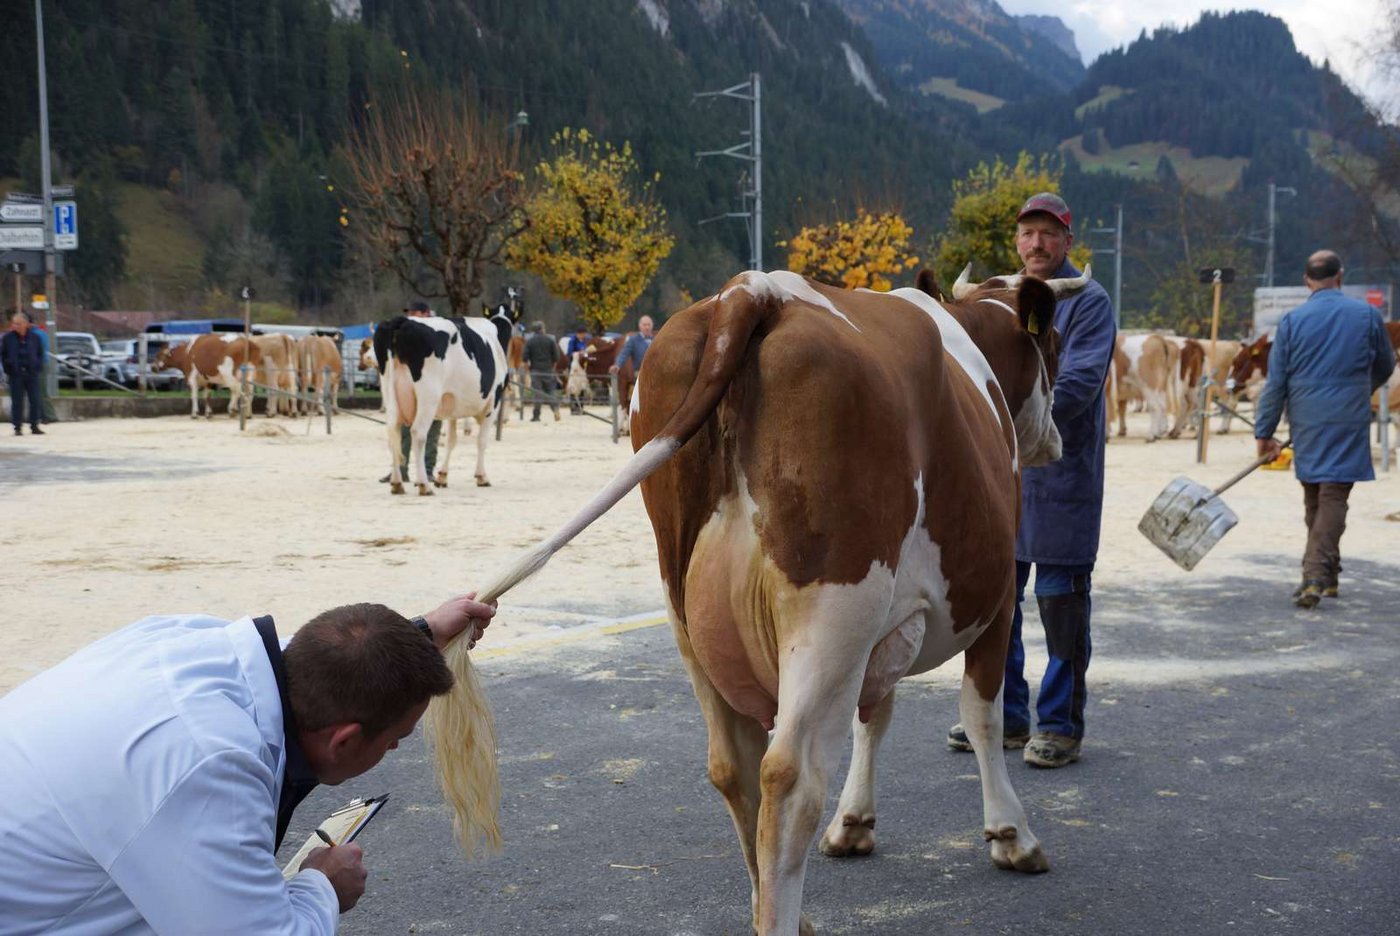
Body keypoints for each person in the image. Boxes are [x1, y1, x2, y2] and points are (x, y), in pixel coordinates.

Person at [0, 593, 496, 934]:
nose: (393, 750)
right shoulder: (211, 768)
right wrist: (323, 887)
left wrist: (416, 637)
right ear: (344, 741)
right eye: (394, 740)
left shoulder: (188, 639)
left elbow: (325, 663)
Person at [947, 192, 1117, 768]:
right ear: (1016, 241)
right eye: (1028, 233)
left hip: (1062, 470)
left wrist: (1007, 427)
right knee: (999, 604)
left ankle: (1062, 725)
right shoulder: (994, 295)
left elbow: (1080, 383)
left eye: (1049, 234)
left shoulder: (1088, 301)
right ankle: (1006, 716)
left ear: (1068, 241)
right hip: (1003, 474)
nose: (1037, 243)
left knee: (1059, 602)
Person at [1255, 250, 1396, 609]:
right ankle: (1321, 574)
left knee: (1315, 494)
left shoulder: (1291, 321)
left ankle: (1318, 573)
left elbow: (1276, 382)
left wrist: (1264, 432)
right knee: (1331, 495)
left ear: (1307, 280)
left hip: (1306, 417)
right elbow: (1386, 364)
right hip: (1348, 416)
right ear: (1340, 276)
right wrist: (1359, 389)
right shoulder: (1366, 314)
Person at [379, 300, 444, 484]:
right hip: (408, 381)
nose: (410, 316)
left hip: (432, 385)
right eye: (409, 313)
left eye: (414, 313)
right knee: (405, 428)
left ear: (425, 313)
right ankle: (400, 469)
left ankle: (428, 469)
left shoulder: (438, 329)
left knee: (431, 429)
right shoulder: (406, 330)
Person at [2, 310, 46, 436]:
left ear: (26, 324)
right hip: (16, 374)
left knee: (35, 400)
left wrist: (37, 367)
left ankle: (34, 425)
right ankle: (17, 427)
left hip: (32, 373)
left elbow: (40, 353)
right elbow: (4, 355)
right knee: (17, 401)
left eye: (19, 323)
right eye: (14, 324)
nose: (16, 326)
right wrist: (9, 369)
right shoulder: (8, 338)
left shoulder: (35, 338)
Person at [523, 320, 561, 421]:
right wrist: (553, 368)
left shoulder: (530, 341)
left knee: (537, 393)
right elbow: (556, 357)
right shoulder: (550, 340)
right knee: (550, 391)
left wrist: (528, 371)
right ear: (542, 329)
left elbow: (525, 358)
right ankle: (555, 410)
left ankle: (536, 416)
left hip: (535, 370)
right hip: (548, 370)